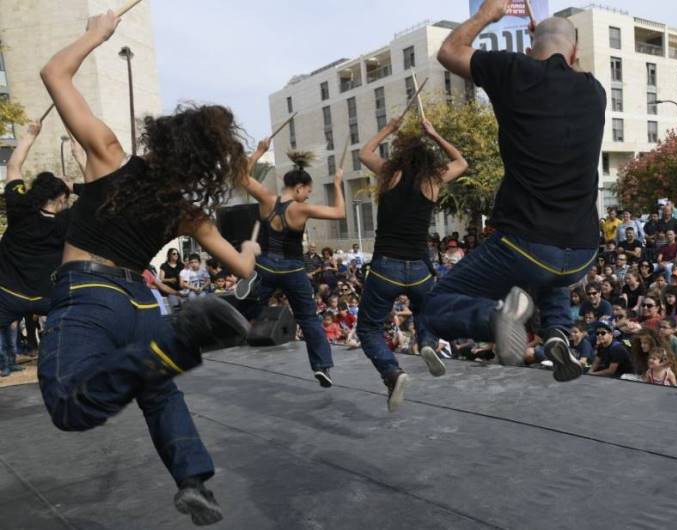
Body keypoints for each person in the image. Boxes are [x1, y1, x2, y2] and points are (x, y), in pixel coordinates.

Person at [39, 11, 262, 525]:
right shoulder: (190, 214)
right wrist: (250, 255)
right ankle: (194, 482)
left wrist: (97, 34)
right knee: (157, 388)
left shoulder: (110, 154)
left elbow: (55, 74)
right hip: (142, 304)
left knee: (69, 405)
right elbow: (241, 268)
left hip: (90, 294)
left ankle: (180, 341)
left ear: (165, 138)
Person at [429, 4, 604, 383]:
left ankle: (496, 317)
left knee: (435, 306)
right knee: (549, 275)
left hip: (527, 244)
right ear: (575, 54)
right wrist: (555, 40)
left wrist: (487, 15)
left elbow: (449, 51)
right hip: (582, 254)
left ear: (529, 49)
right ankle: (556, 334)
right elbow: (565, 68)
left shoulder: (513, 70)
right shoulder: (595, 91)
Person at [355, 117, 468, 411]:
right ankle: (428, 343)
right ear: (426, 157)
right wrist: (435, 134)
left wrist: (388, 129)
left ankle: (392, 373)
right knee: (425, 313)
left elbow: (364, 154)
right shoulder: (432, 180)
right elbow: (461, 162)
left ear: (399, 154)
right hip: (419, 267)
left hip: (385, 267)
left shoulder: (388, 174)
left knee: (368, 328)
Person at [235, 141, 346, 388]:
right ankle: (322, 367)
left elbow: (241, 176)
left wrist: (260, 151)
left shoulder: (266, 198)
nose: (308, 195)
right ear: (298, 187)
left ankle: (229, 328)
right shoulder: (302, 209)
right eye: (307, 190)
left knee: (248, 309)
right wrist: (338, 184)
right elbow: (339, 213)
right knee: (308, 319)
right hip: (293, 270)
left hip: (265, 266)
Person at [0, 121, 73, 377]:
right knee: (67, 326)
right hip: (47, 297)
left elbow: (13, 166)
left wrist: (30, 136)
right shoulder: (68, 221)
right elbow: (95, 198)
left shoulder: (20, 208)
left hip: (7, 293)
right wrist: (78, 160)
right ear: (61, 199)